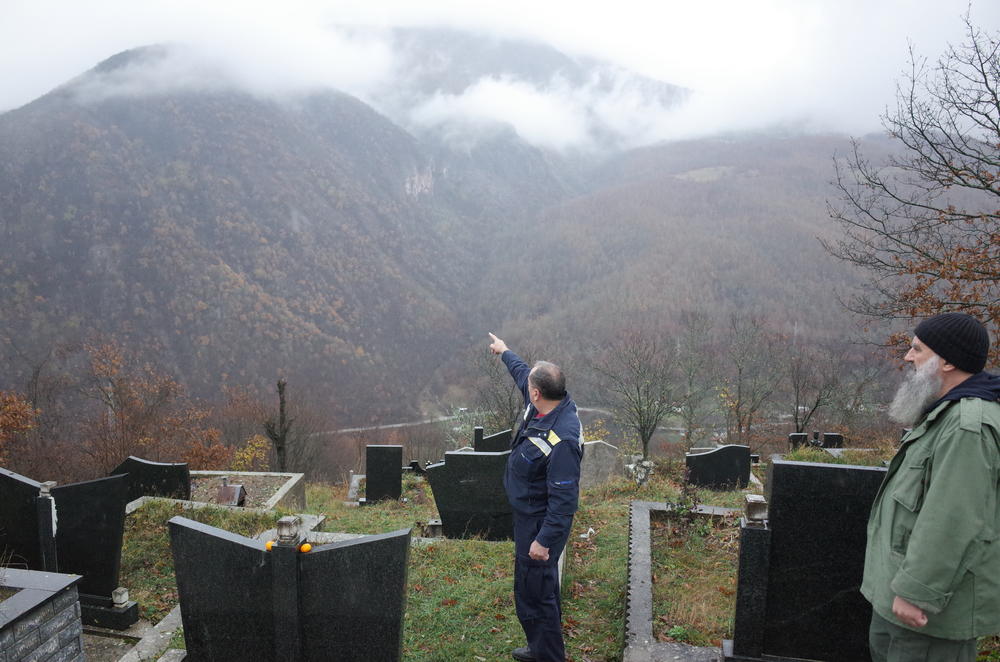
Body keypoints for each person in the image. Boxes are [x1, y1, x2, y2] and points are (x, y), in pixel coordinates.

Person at [862, 312, 1000, 662]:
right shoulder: (945, 415)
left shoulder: (967, 427)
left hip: (927, 615)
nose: (908, 357)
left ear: (948, 361)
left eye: (918, 349)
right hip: (898, 599)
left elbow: (954, 519)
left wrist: (917, 593)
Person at [488, 332, 583, 662]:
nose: (526, 385)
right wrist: (504, 351)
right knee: (535, 588)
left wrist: (543, 541)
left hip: (540, 524)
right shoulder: (544, 405)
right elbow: (521, 373)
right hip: (528, 514)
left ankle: (549, 656)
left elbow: (564, 502)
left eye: (530, 385)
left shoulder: (563, 440)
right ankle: (538, 647)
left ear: (537, 392)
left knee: (536, 595)